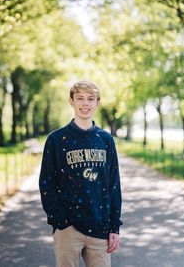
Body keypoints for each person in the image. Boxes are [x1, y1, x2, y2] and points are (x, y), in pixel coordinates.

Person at [39, 80, 123, 267]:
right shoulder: (57, 140)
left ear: (97, 103)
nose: (85, 104)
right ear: (71, 101)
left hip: (99, 226)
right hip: (68, 228)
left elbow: (113, 185)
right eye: (80, 98)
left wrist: (114, 226)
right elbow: (47, 183)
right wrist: (60, 221)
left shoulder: (105, 140)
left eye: (90, 99)